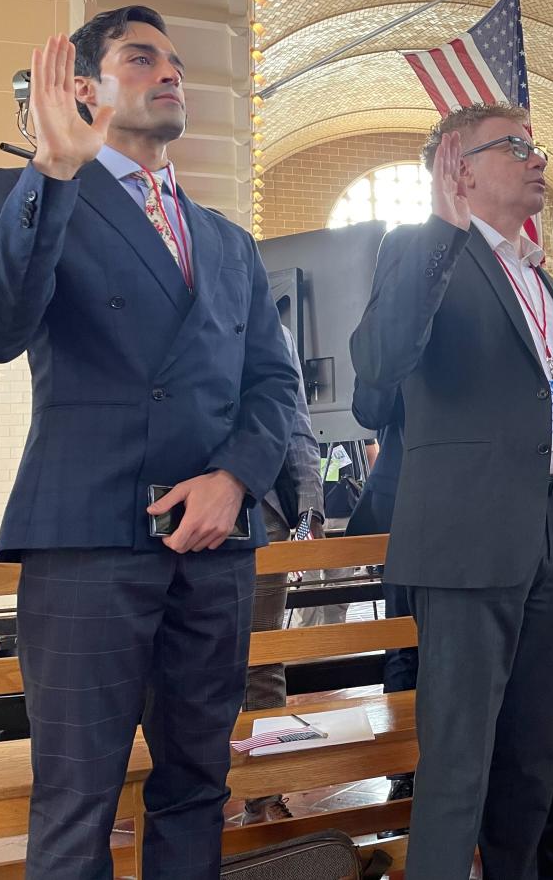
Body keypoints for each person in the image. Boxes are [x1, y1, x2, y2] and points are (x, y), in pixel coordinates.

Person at [0, 11, 297, 878]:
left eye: (176, 61)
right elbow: (2, 326)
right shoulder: (35, 195)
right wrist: (54, 169)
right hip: (88, 538)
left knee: (199, 784)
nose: (170, 73)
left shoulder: (229, 243)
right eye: (141, 58)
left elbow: (274, 385)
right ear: (82, 89)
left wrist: (235, 479)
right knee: (77, 795)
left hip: (213, 549)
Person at [349, 102, 553, 880]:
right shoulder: (422, 251)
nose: (538, 159)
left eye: (537, 145)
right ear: (459, 165)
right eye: (517, 147)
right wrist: (439, 230)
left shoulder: (541, 281)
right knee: (459, 761)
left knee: (534, 755)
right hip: (467, 540)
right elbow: (376, 377)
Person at [243, 325, 325, 824]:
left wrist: (309, 507)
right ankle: (191, 801)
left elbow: (295, 418)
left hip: (264, 512)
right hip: (177, 507)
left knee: (262, 660)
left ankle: (264, 795)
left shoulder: (273, 327)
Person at [348, 378, 417, 826]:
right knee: (404, 642)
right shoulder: (401, 316)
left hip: (476, 493)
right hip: (405, 496)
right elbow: (370, 406)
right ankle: (404, 770)